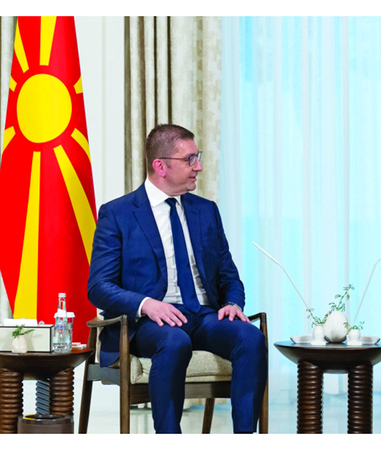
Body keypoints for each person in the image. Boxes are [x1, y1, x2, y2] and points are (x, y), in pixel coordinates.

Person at [88, 124, 267, 433]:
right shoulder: (118, 213)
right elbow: (99, 286)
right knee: (174, 341)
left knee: (250, 337)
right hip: (148, 322)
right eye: (190, 159)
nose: (199, 167)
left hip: (204, 316)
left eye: (198, 157)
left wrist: (233, 303)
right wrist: (147, 304)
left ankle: (245, 437)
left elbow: (229, 275)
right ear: (161, 166)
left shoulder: (206, 211)